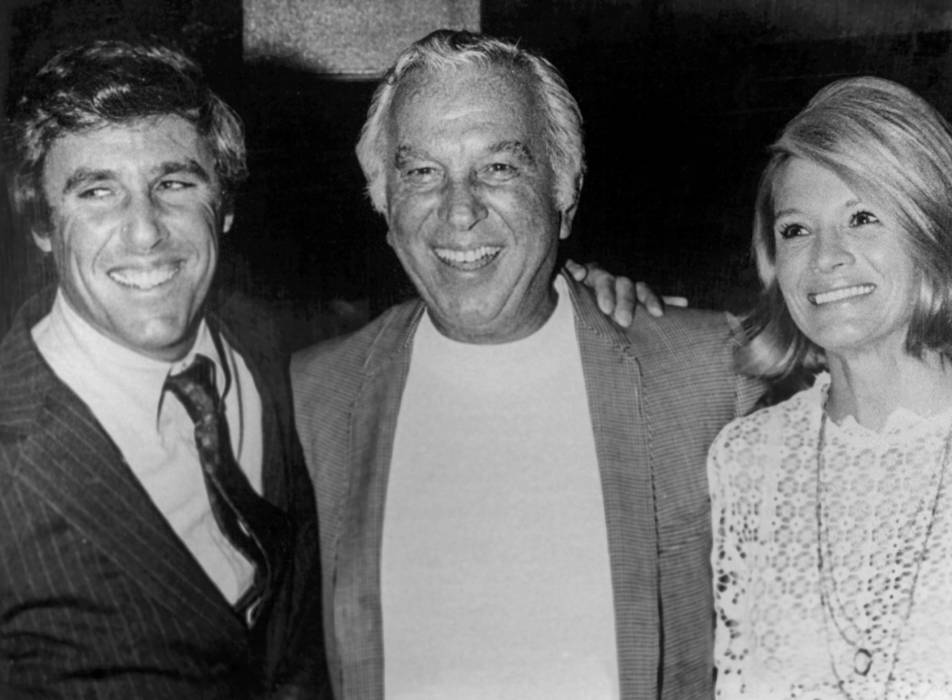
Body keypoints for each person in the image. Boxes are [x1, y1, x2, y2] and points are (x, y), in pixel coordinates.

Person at [292, 29, 762, 700]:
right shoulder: (318, 391)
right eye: (421, 172)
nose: (459, 211)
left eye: (500, 167)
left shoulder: (710, 370)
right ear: (383, 201)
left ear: (564, 189)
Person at [0, 40, 328, 698]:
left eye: (174, 184)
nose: (145, 231)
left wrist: (578, 291)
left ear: (225, 206)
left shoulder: (292, 354)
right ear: (42, 223)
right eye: (97, 191)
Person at [708, 76, 952, 699]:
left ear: (935, 232)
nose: (826, 257)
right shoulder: (746, 461)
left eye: (862, 217)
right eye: (795, 229)